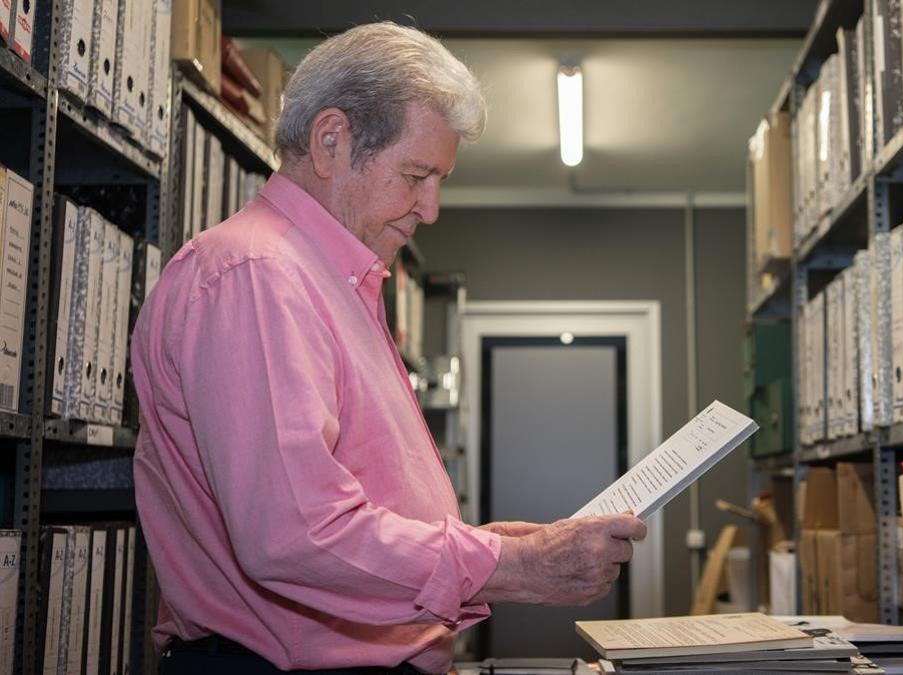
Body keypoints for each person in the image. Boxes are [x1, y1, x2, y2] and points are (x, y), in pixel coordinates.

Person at [131, 22, 646, 675]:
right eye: (415, 175)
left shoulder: (334, 281)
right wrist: (512, 565)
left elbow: (353, 500)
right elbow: (295, 535)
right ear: (331, 141)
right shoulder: (258, 276)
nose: (430, 208)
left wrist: (486, 545)